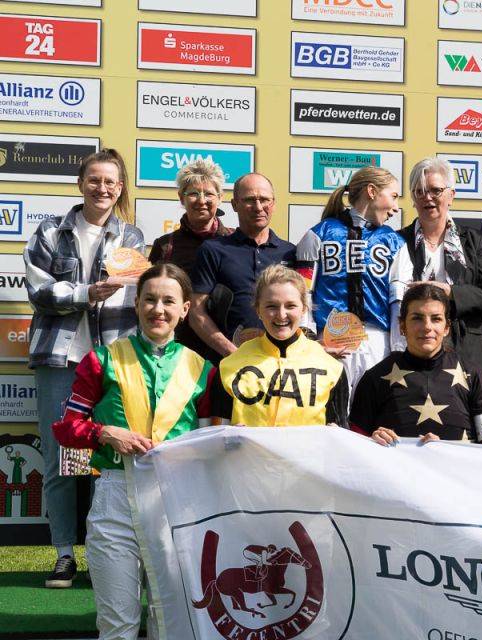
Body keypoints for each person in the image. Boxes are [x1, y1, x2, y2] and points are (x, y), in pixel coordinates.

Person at [51, 263, 218, 639]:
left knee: (171, 625)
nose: (158, 309)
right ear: (137, 304)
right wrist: (105, 432)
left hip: (177, 503)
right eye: (149, 300)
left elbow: (209, 448)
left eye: (168, 301)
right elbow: (66, 428)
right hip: (114, 497)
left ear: (185, 309)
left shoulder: (204, 370)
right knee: (118, 625)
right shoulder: (103, 359)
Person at [23, 148, 145, 589]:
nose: (102, 188)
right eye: (94, 179)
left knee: (102, 461)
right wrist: (86, 293)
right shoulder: (51, 231)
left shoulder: (131, 238)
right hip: (59, 358)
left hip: (109, 363)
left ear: (120, 188)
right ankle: (62, 555)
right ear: (81, 183)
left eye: (111, 181)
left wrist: (91, 293)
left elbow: (131, 299)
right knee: (60, 460)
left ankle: (99, 551)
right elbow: (39, 290)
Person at [351, 283, 482, 447]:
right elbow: (353, 449)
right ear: (402, 326)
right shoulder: (374, 378)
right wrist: (370, 442)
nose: (427, 327)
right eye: (417, 318)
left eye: (436, 319)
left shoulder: (474, 376)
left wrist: (446, 452)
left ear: (446, 327)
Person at [295, 167, 405, 397]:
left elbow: (398, 300)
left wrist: (398, 348)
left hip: (378, 343)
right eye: (393, 196)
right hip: (329, 341)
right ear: (372, 191)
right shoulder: (317, 234)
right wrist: (307, 342)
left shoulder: (395, 242)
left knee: (371, 418)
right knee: (331, 415)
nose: (396, 207)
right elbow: (303, 292)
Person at [391, 158, 482, 372]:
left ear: (451, 195)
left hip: (470, 353)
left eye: (435, 190)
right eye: (419, 191)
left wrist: (450, 292)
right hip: (415, 351)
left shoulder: (475, 241)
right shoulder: (397, 241)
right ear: (412, 198)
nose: (427, 198)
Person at [216, 265, 348, 427]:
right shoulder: (229, 366)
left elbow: (340, 432)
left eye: (290, 306)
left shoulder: (332, 368)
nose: (281, 314)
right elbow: (215, 436)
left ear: (304, 309)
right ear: (258, 310)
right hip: (248, 453)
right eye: (271, 306)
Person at [190, 173, 295, 358]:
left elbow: (301, 309)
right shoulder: (213, 250)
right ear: (234, 204)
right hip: (226, 363)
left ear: (274, 204)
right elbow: (196, 312)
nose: (258, 207)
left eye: (264, 200)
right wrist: (232, 353)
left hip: (280, 363)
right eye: (249, 200)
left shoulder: (290, 253)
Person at [148, 158, 233, 362]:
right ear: (181, 198)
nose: (201, 200)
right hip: (175, 350)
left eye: (209, 194)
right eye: (193, 193)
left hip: (227, 348)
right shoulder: (165, 245)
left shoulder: (235, 241)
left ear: (220, 198)